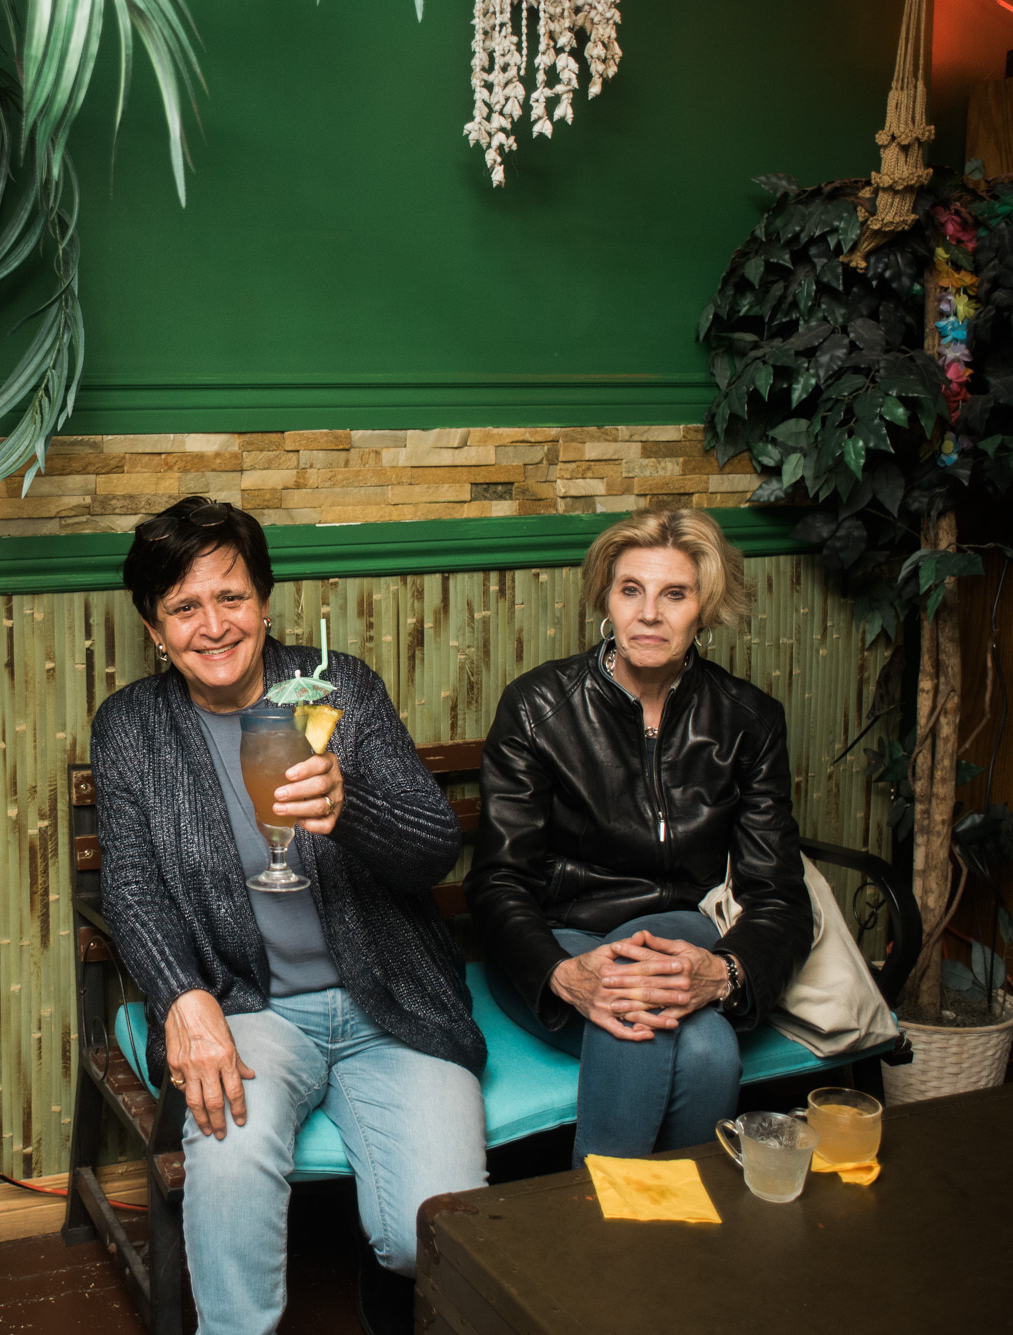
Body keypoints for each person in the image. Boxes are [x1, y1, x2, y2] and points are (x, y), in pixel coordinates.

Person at [91, 496, 486, 1335]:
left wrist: (353, 806)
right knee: (228, 1163)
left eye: (231, 596)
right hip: (249, 1011)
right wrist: (182, 997)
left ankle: (383, 1281)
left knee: (429, 1238)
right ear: (155, 628)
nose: (213, 626)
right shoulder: (131, 726)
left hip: (393, 1001)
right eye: (184, 607)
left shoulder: (340, 689)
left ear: (265, 602)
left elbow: (433, 849)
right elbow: (130, 887)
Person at [465, 507, 812, 1167]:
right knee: (700, 1047)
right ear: (607, 599)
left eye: (674, 594)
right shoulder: (538, 707)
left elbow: (779, 898)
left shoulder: (748, 720)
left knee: (650, 1013)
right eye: (631, 590)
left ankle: (597, 1220)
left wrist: (725, 972)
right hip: (555, 941)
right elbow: (498, 881)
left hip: (687, 938)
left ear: (704, 609)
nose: (649, 613)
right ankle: (653, 1226)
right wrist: (563, 974)